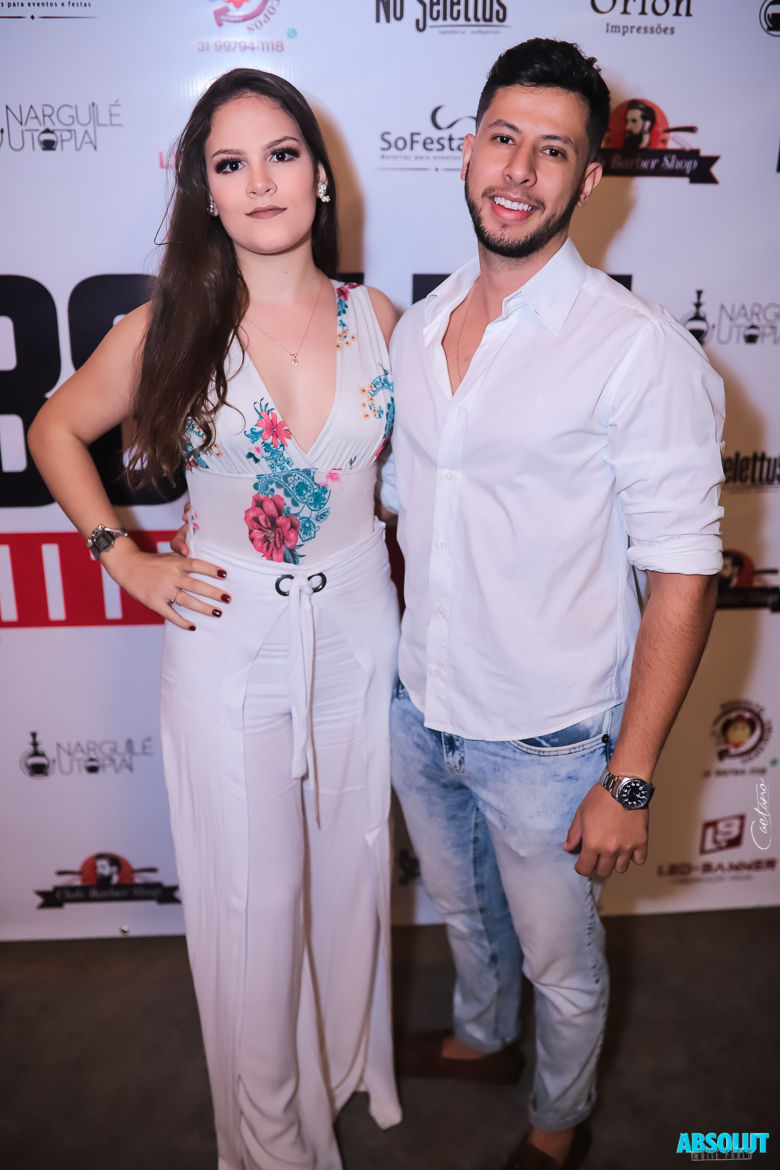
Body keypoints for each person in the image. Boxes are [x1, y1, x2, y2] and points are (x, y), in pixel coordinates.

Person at [29, 68, 401, 1170]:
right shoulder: (168, 327)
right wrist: (124, 559)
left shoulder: (378, 318)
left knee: (351, 882)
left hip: (359, 633)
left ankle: (341, 1075)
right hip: (229, 638)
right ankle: (271, 1144)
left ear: (320, 175)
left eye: (281, 154)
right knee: (254, 905)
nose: (261, 181)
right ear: (207, 193)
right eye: (230, 165)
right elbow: (53, 430)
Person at [380, 39, 724, 1170]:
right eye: (503, 138)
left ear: (590, 179)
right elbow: (411, 518)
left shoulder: (637, 352)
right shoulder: (420, 329)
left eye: (554, 150)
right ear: (468, 151)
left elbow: (685, 575)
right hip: (423, 707)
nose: (520, 170)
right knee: (463, 914)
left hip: (550, 741)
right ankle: (481, 1042)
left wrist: (630, 778)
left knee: (561, 965)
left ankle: (556, 1124)